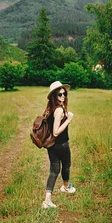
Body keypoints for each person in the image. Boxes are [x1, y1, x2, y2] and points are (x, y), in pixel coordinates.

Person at [42, 81, 76, 209]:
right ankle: (66, 187)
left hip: (52, 146)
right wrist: (68, 119)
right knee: (66, 166)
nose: (63, 96)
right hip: (61, 144)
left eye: (64, 93)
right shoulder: (58, 110)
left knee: (54, 170)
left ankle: (47, 200)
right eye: (59, 94)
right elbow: (56, 132)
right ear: (54, 96)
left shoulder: (50, 108)